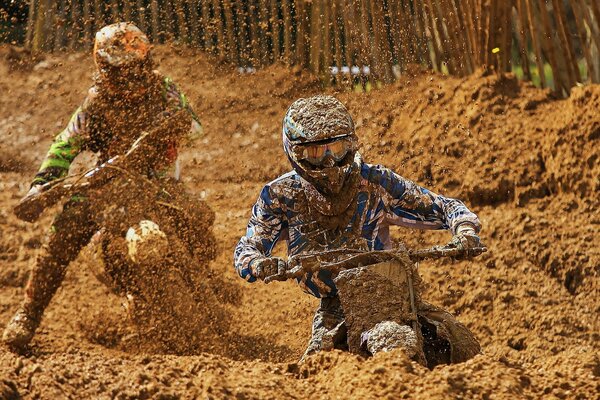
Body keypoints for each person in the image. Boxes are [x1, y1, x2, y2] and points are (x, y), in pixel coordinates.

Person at [233, 95, 483, 359]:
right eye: (317, 153)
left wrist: (464, 231)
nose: (330, 162)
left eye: (338, 149)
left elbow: (445, 207)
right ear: (295, 152)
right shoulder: (280, 195)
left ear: (351, 144)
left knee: (461, 346)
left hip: (391, 294)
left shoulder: (375, 182)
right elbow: (247, 247)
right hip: (334, 308)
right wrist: (259, 264)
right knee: (318, 367)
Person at [2, 22, 202, 350]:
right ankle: (29, 312)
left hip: (159, 181)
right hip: (106, 181)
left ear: (146, 63)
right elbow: (65, 144)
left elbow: (195, 127)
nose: (130, 78)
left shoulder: (164, 89)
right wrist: (42, 184)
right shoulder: (95, 102)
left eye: (136, 69)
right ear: (104, 68)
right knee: (62, 234)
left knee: (198, 217)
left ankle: (207, 283)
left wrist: (164, 131)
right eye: (120, 71)